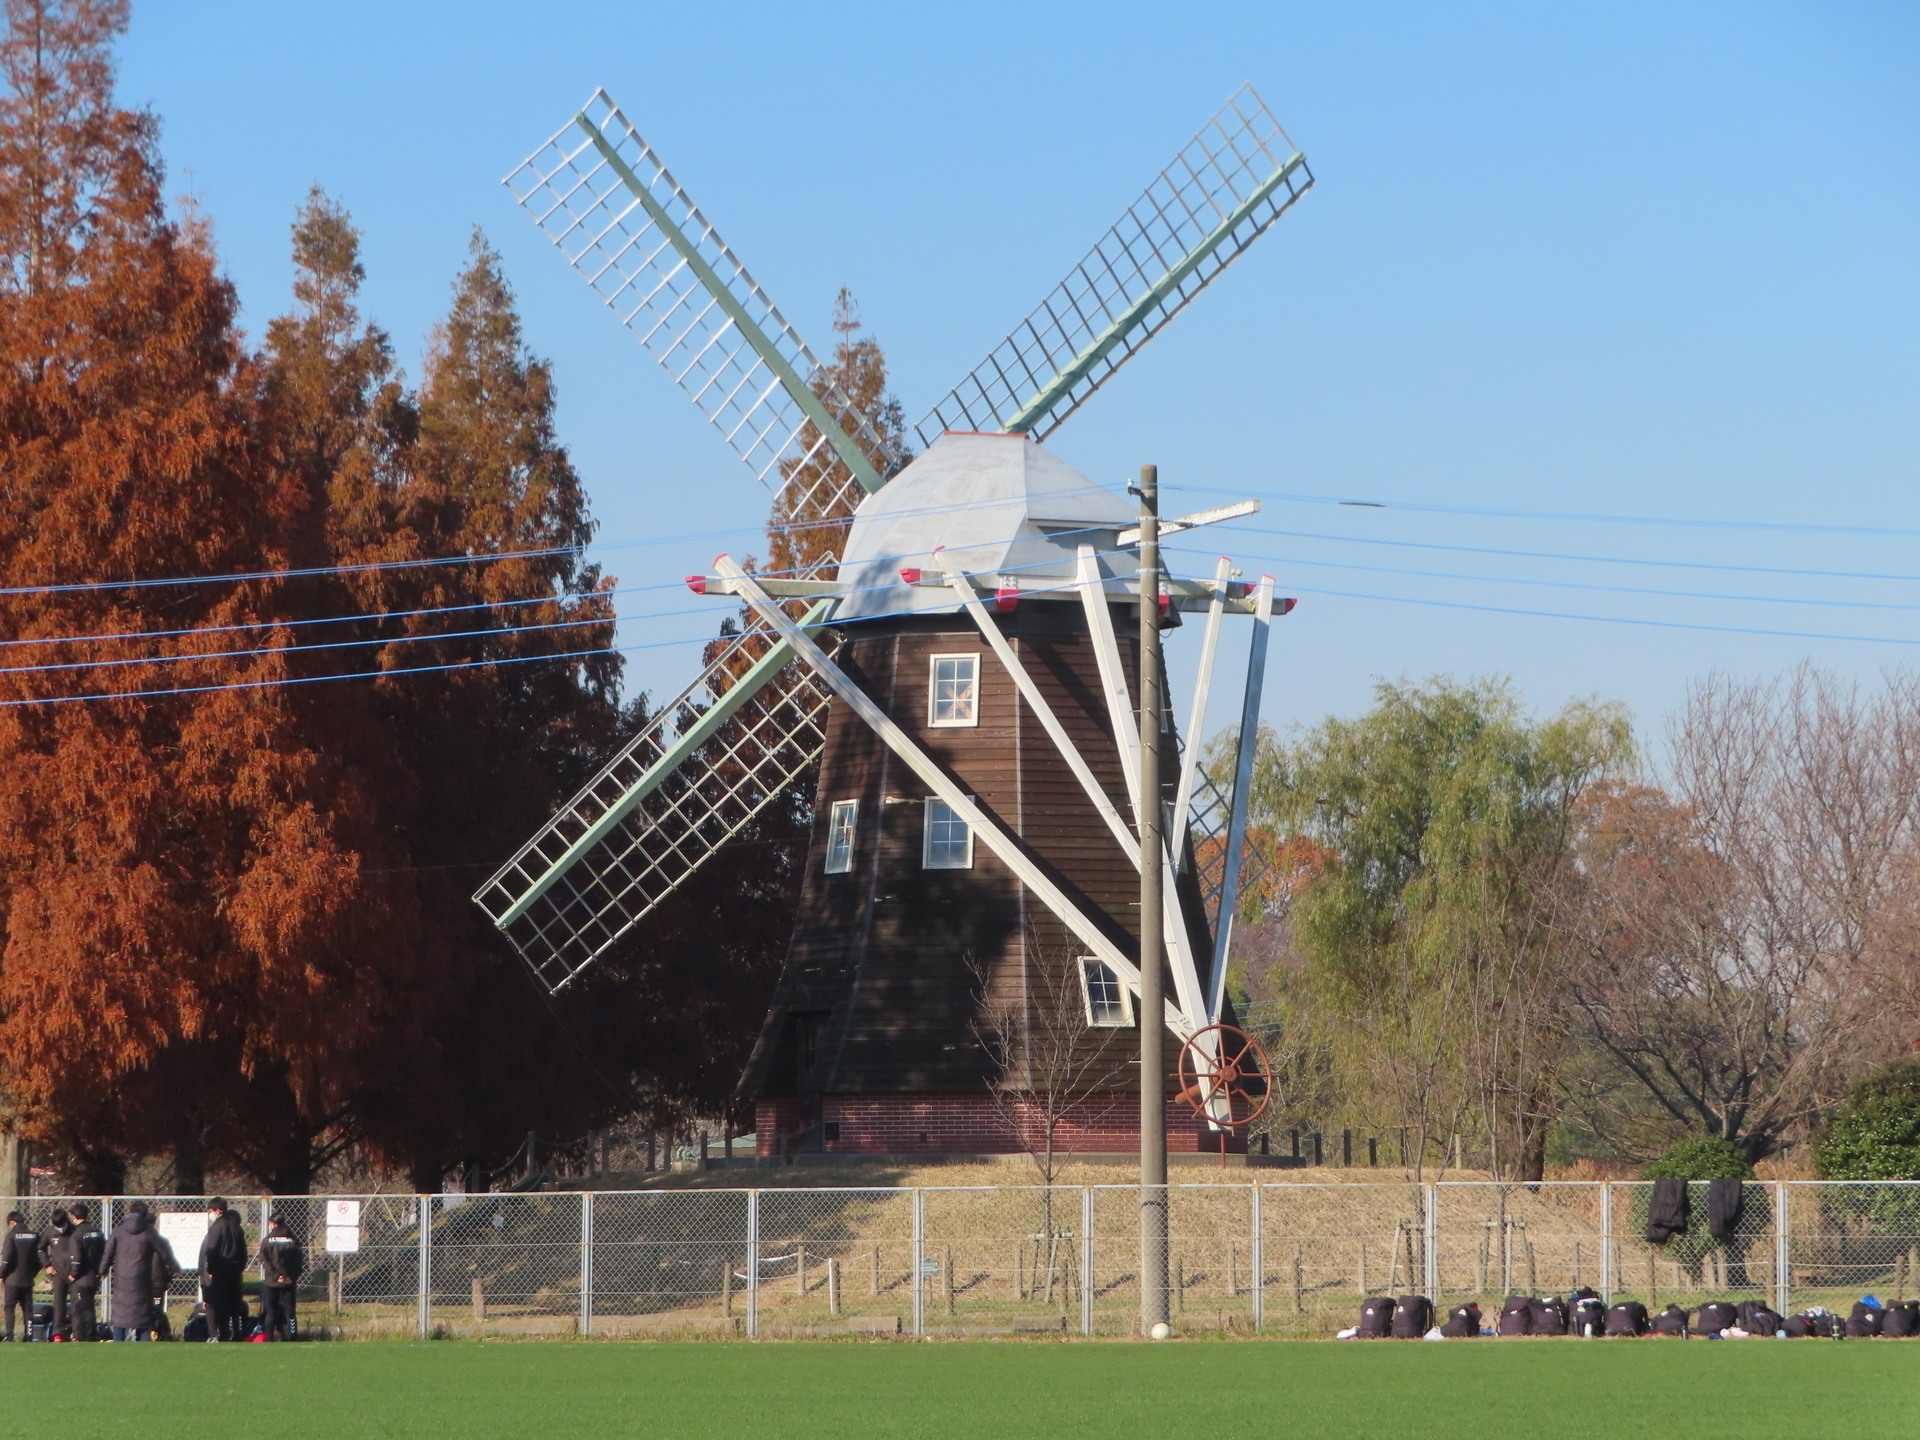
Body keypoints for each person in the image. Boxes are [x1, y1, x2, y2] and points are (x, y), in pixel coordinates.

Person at [98, 1201, 162, 1341]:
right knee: (143, 1317)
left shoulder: (118, 1231)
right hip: (142, 1278)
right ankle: (144, 1344)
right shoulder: (149, 1232)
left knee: (120, 1316)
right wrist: (174, 1267)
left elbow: (108, 1252)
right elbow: (163, 1251)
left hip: (121, 1278)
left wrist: (103, 1269)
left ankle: (118, 1342)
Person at [197, 1198, 247, 1342]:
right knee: (234, 1304)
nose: (210, 1214)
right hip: (235, 1272)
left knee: (220, 1305)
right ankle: (237, 1334)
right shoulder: (237, 1228)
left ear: (218, 1211)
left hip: (220, 1272)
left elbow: (211, 1250)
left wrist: (210, 1269)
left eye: (211, 1211)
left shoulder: (216, 1227)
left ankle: (222, 1334)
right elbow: (243, 1252)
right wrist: (239, 1268)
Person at [257, 1213, 303, 1341]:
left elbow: (264, 1260)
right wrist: (291, 1276)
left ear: (273, 1224)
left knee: (270, 1312)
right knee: (290, 1313)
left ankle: (269, 1336)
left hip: (272, 1281)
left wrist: (277, 1275)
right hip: (289, 1282)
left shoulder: (267, 1240)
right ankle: (292, 1336)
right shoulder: (293, 1239)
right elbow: (298, 1260)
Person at [0, 1210, 43, 1341]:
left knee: (9, 1307)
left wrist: (1, 1274)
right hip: (27, 1279)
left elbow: (7, 1259)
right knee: (28, 1308)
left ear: (12, 1222)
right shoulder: (35, 1236)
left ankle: (10, 1335)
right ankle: (29, 1335)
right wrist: (33, 1273)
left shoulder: (11, 1236)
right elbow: (39, 1259)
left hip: (12, 1279)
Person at [65, 1204, 105, 1341]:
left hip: (81, 1279)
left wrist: (72, 1274)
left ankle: (84, 1336)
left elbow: (77, 1259)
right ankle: (89, 1334)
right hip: (94, 1276)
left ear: (74, 1216)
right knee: (89, 1306)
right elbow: (104, 1253)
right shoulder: (97, 1232)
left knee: (80, 1309)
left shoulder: (76, 1235)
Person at [41, 1209, 72, 1341]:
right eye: (56, 1227)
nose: (59, 1229)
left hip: (75, 1274)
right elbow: (40, 1249)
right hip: (58, 1274)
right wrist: (47, 1265)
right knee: (59, 1303)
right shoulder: (49, 1232)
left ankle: (76, 1332)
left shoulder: (75, 1231)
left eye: (61, 1226)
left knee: (77, 1303)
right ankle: (58, 1333)